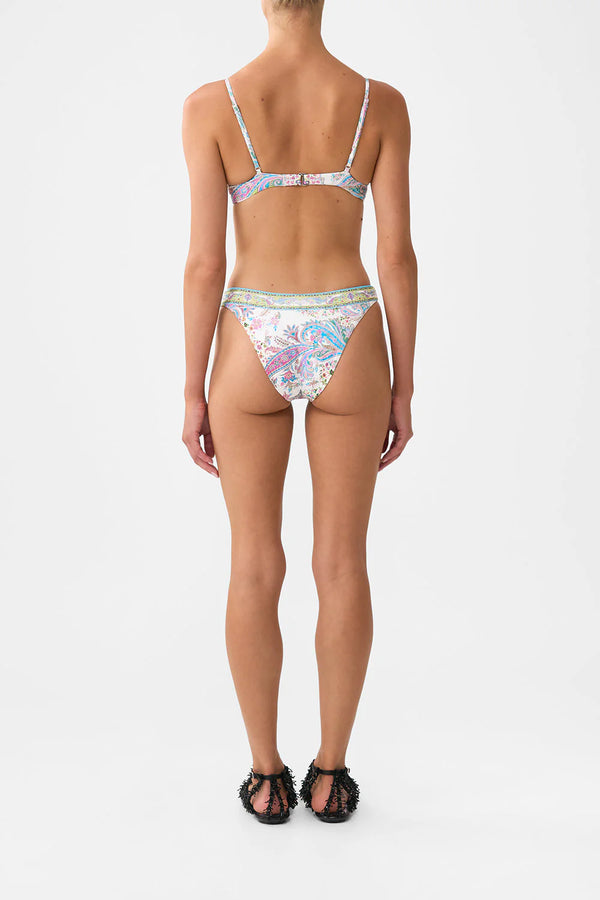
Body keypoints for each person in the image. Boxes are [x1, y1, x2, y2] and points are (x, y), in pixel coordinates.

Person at [181, 0, 417, 824]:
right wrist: (404, 384)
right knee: (342, 564)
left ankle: (265, 775)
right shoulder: (380, 104)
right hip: (349, 324)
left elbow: (204, 263)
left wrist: (192, 387)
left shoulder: (212, 106)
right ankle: (331, 774)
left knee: (254, 564)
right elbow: (396, 254)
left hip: (252, 329)